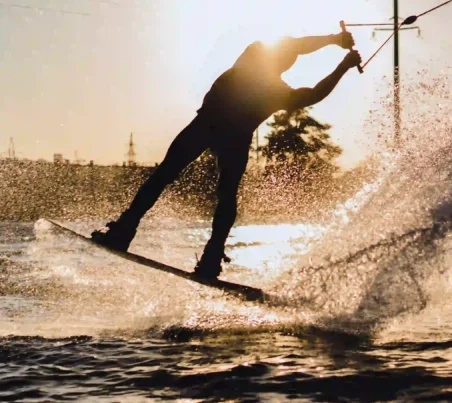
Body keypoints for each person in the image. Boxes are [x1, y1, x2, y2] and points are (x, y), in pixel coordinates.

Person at [92, 30, 362, 279]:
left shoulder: (254, 59)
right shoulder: (267, 74)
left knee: (169, 176)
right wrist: (340, 59)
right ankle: (208, 256)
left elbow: (309, 86)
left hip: (211, 128)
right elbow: (312, 92)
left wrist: (335, 44)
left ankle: (129, 232)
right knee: (220, 192)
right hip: (224, 133)